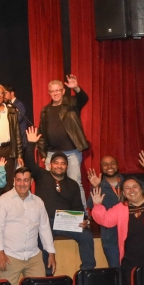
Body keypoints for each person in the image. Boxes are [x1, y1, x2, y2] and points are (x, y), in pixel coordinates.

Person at [23, 127, 95, 274]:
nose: (59, 166)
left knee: (87, 236)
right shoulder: (42, 176)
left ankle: (87, 272)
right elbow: (29, 163)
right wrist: (31, 144)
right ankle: (47, 275)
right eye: (56, 162)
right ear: (50, 165)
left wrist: (84, 220)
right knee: (42, 237)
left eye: (63, 163)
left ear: (67, 166)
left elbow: (78, 208)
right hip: (46, 221)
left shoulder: (73, 184)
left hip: (66, 221)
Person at [86, 151, 144, 268]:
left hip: (143, 242)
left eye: (112, 163)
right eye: (105, 164)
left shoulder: (129, 181)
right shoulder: (99, 185)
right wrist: (96, 187)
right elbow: (94, 208)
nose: (109, 166)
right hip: (112, 240)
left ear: (117, 165)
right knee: (121, 274)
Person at [0, 167, 56, 285]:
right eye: (19, 180)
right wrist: (0, 253)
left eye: (26, 180)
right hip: (10, 256)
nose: (22, 184)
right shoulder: (3, 201)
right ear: (14, 181)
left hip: (33, 256)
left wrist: (51, 253)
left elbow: (44, 228)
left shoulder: (38, 202)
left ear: (31, 182)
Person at [92, 179, 144, 285]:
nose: (131, 190)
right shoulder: (121, 207)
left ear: (141, 189)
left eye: (134, 186)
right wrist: (98, 205)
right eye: (127, 188)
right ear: (123, 193)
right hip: (130, 260)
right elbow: (106, 220)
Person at [37, 75, 90, 207]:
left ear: (63, 91)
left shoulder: (72, 104)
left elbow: (83, 98)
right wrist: (43, 155)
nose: (55, 93)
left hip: (71, 153)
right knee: (51, 185)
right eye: (52, 91)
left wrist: (76, 87)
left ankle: (82, 215)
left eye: (58, 90)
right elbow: (41, 134)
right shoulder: (45, 110)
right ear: (49, 93)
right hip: (51, 154)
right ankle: (55, 212)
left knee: (75, 183)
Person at [3, 85, 29, 151]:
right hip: (11, 139)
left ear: (12, 93)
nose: (3, 96)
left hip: (20, 140)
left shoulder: (19, 105)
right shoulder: (5, 106)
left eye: (5, 93)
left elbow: (17, 120)